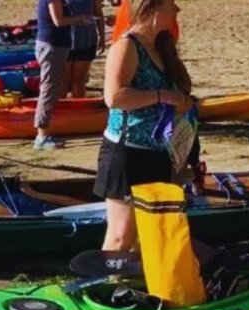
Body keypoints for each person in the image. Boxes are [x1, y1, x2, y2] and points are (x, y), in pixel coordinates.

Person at [95, 0, 194, 250]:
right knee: (121, 236)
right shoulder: (128, 46)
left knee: (149, 235)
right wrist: (162, 95)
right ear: (152, 8)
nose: (177, 10)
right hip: (127, 151)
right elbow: (114, 97)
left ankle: (138, 286)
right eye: (171, 4)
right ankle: (103, 286)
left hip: (159, 152)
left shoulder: (161, 46)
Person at [33, 0, 93, 149]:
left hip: (57, 45)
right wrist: (80, 19)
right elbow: (58, 21)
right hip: (51, 46)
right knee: (49, 89)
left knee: (53, 87)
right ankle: (41, 135)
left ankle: (45, 130)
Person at [66, 0, 107, 97]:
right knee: (64, 81)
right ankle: (61, 109)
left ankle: (78, 109)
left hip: (86, 40)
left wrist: (102, 36)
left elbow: (99, 14)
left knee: (78, 79)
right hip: (64, 42)